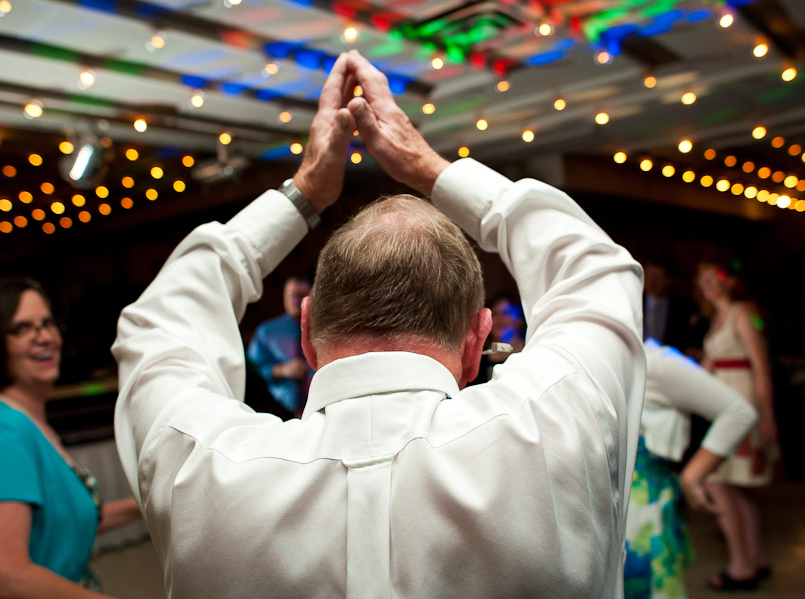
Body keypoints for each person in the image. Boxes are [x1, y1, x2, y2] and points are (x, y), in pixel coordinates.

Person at [113, 50, 644, 597]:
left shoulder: (200, 469)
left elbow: (157, 323)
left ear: (308, 336)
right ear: (476, 341)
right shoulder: (557, 422)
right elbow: (598, 268)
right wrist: (427, 166)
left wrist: (305, 193)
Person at [0, 276, 142, 599]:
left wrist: (151, 502)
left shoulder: (23, 421)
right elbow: (2, 580)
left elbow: (61, 522)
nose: (44, 337)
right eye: (22, 329)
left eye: (47, 323)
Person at [624, 339, 757, 598]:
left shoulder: (654, 363)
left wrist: (692, 476)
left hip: (642, 515)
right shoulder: (579, 359)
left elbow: (738, 412)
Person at [696, 263, 778, 591]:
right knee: (737, 486)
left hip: (742, 405)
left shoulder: (742, 314)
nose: (708, 285)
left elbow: (761, 369)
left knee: (718, 480)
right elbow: (707, 366)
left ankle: (741, 566)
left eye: (713, 278)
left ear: (728, 282)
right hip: (722, 405)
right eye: (702, 281)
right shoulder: (714, 320)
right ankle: (757, 559)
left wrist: (767, 416)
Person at [246, 276, 314, 417]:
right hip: (278, 411)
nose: (295, 301)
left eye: (301, 295)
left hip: (320, 408)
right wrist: (280, 370)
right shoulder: (268, 331)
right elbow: (251, 371)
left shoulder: (326, 329)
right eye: (290, 295)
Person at [469, 291, 525, 385]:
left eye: (505, 313)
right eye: (495, 314)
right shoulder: (477, 359)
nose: (500, 319)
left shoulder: (530, 351)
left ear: (520, 319)